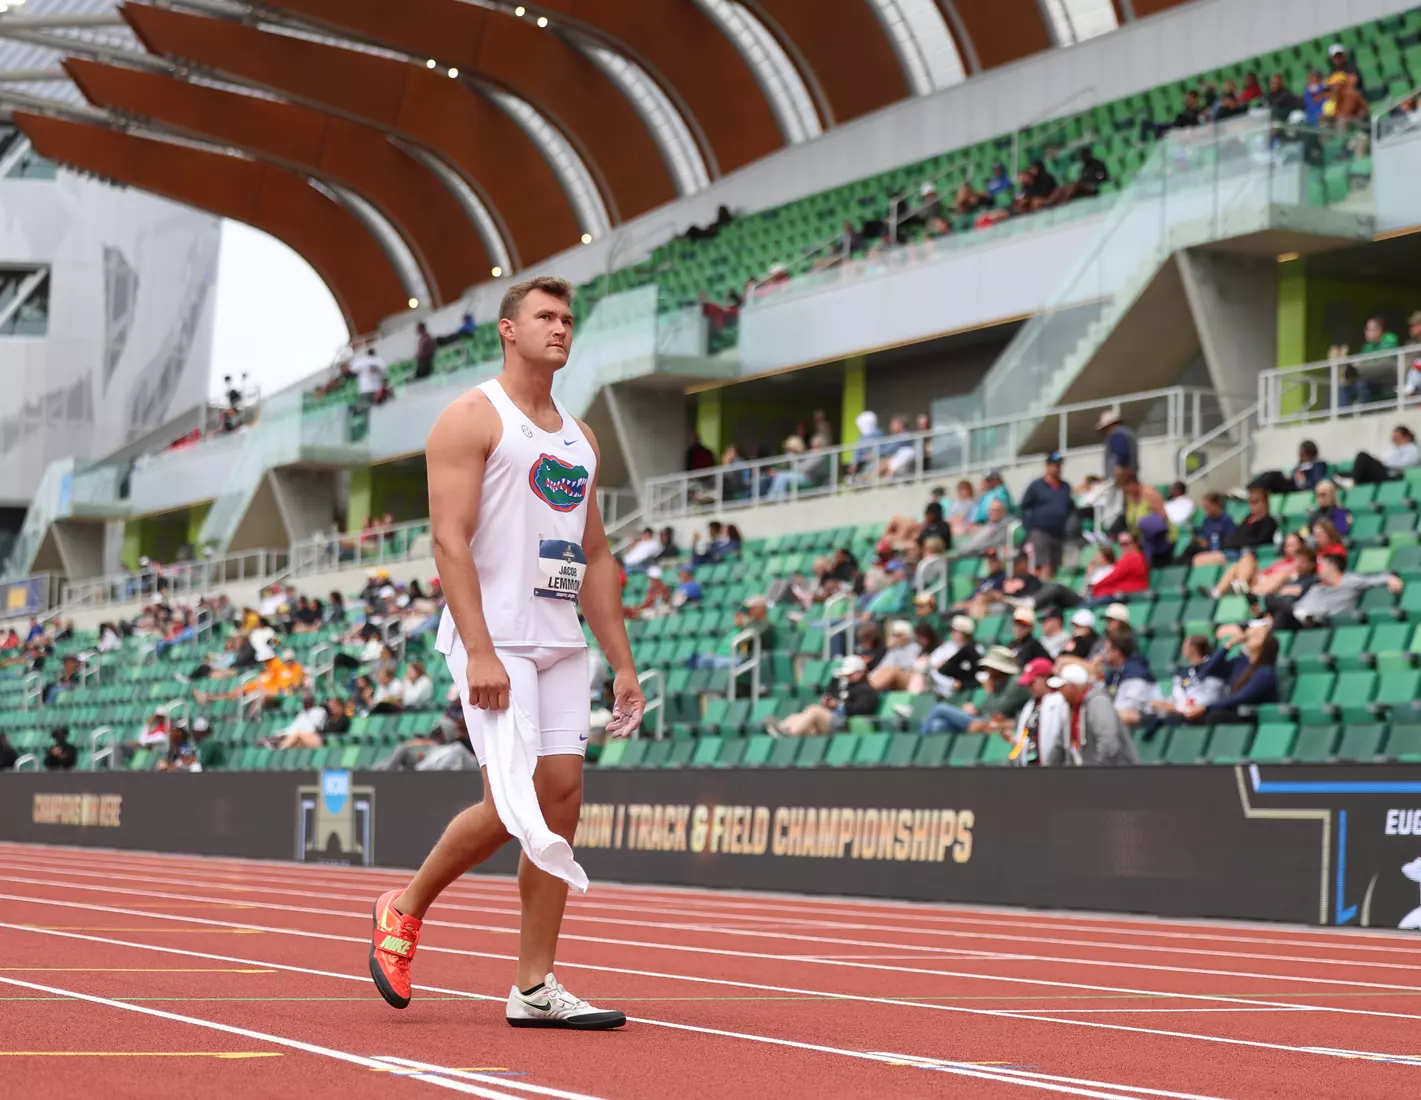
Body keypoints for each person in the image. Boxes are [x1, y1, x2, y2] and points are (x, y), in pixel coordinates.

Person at [367, 276, 642, 1030]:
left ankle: (533, 986)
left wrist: (621, 661)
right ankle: (404, 908)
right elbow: (447, 538)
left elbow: (592, 553)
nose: (560, 328)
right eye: (545, 317)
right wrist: (480, 650)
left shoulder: (579, 436)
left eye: (567, 319)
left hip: (560, 641)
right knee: (510, 803)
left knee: (559, 800)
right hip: (494, 640)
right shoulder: (470, 417)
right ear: (508, 331)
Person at [1264, 552, 1402, 630]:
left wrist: (1390, 578)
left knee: (1275, 607)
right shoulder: (1317, 586)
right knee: (1273, 605)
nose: (1319, 568)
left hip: (1319, 621)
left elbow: (1371, 580)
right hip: (1298, 616)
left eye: (1322, 564)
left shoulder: (1349, 580)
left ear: (1332, 565)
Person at [1038, 663, 1139, 766]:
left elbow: (1109, 745)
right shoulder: (1072, 709)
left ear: (1073, 687)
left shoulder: (1098, 702)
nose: (1060, 692)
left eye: (1062, 687)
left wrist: (1094, 775)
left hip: (1118, 775)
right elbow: (1059, 746)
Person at [767, 655, 879, 737]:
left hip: (844, 724)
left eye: (850, 675)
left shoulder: (867, 690)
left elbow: (859, 709)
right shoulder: (846, 685)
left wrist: (838, 704)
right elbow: (833, 693)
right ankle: (783, 729)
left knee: (814, 711)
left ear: (860, 672)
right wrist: (829, 700)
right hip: (832, 718)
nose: (847, 677)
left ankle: (790, 735)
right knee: (797, 716)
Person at [1019, 451, 1073, 573]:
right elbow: (1023, 507)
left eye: (1059, 465)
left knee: (1054, 568)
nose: (1057, 468)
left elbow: (1070, 508)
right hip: (1040, 532)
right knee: (1043, 566)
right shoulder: (1036, 486)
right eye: (1054, 465)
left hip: (1058, 533)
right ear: (1047, 466)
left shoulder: (1065, 487)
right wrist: (1028, 527)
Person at [1351, 425, 1420, 484]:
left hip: (1391, 475)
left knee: (1363, 457)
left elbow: (1406, 464)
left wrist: (1383, 461)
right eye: (1394, 439)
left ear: (1406, 437)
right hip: (1383, 471)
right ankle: (1349, 481)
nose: (1395, 441)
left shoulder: (1412, 449)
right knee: (1349, 473)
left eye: (1398, 438)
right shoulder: (1393, 449)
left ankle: (1352, 484)